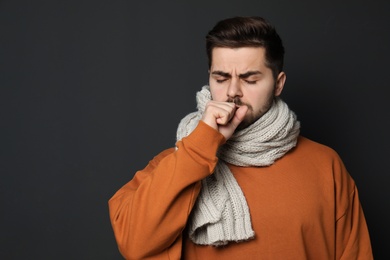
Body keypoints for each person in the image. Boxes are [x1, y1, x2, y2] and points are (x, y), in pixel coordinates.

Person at [108, 16, 373, 259]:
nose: (233, 92)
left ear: (278, 83)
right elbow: (133, 243)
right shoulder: (179, 161)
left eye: (250, 79)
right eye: (221, 78)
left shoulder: (325, 165)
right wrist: (201, 145)